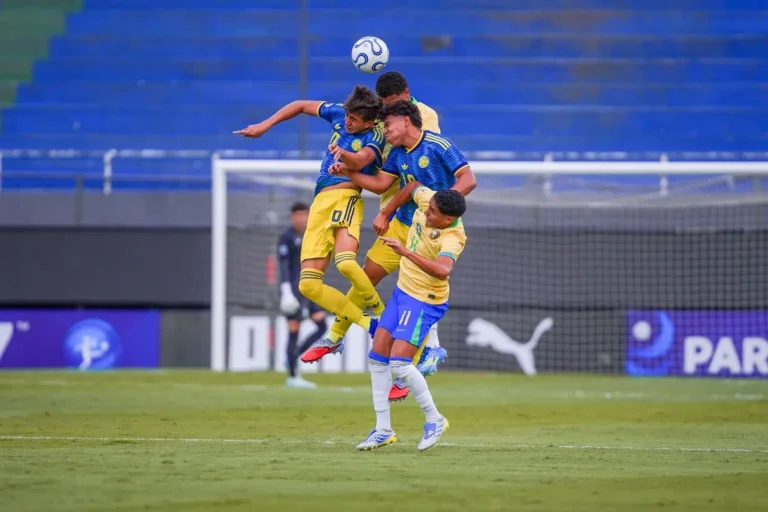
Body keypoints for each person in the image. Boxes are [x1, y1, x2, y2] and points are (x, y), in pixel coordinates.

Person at [322, 100, 477, 402]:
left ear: (406, 121)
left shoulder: (438, 146)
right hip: (406, 226)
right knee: (371, 278)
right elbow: (387, 184)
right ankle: (337, 335)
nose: (385, 131)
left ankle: (424, 354)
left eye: (388, 124)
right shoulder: (396, 154)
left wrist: (441, 208)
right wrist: (351, 176)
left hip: (431, 230)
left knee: (422, 292)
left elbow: (468, 179)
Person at [234, 86, 386, 346]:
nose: (347, 122)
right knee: (308, 286)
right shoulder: (340, 113)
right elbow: (301, 105)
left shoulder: (376, 134)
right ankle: (371, 325)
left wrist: (343, 154)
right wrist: (264, 125)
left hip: (345, 197)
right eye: (347, 116)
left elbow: (361, 160)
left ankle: (383, 316)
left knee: (347, 264)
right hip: (320, 203)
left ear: (369, 122)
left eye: (354, 120)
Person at [356, 184, 467, 452]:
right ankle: (383, 429)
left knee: (400, 364)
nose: (427, 213)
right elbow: (412, 187)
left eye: (433, 213)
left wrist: (405, 252)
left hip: (424, 301)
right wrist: (386, 212)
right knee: (377, 357)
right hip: (401, 293)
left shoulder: (453, 236)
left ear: (448, 219)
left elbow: (442, 270)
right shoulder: (430, 199)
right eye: (428, 208)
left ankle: (435, 419)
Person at [277, 202, 327, 389]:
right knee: (294, 330)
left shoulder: (312, 235)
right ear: (292, 217)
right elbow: (283, 266)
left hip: (309, 289)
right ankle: (291, 376)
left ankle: (294, 356)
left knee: (321, 325)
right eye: (298, 215)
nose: (301, 219)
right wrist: (285, 292)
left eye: (305, 215)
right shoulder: (286, 238)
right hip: (291, 292)